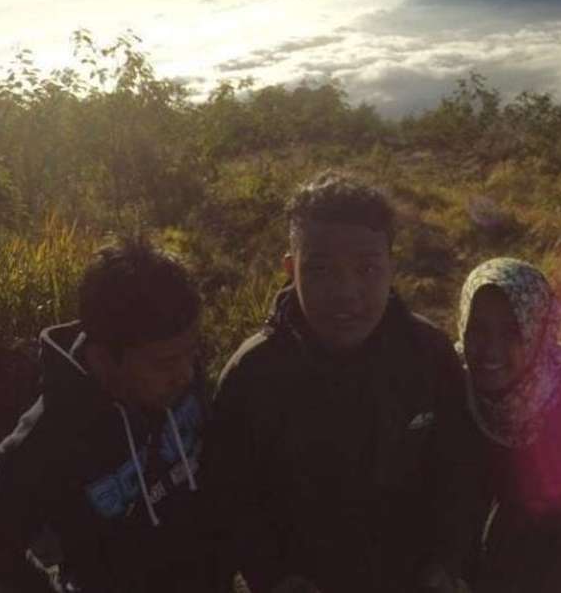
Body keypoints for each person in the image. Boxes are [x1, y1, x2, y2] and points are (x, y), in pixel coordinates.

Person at [204, 171, 481, 593]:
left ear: (392, 264)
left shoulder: (428, 355)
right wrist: (274, 575)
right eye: (320, 270)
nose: (346, 292)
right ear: (289, 268)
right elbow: (231, 497)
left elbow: (458, 471)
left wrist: (446, 562)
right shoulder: (253, 376)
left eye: (368, 269)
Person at [0, 239, 211, 592]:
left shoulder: (177, 373)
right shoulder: (47, 438)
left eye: (192, 352)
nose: (187, 374)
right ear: (104, 356)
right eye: (166, 362)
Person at [457, 258, 561, 593]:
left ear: (538, 331)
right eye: (479, 328)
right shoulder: (451, 380)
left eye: (512, 332)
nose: (491, 349)